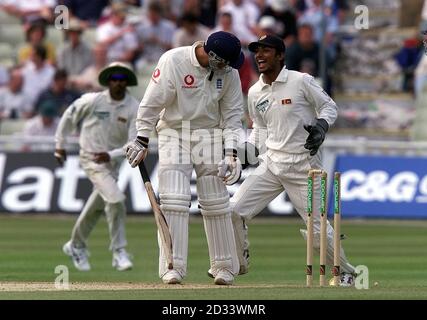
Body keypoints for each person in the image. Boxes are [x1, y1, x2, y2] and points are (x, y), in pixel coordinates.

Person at [230, 34, 357, 286]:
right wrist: (246, 154)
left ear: (280, 55)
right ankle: (239, 261)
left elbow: (329, 107)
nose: (260, 55)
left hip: (304, 168)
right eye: (257, 51)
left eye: (267, 50)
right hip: (271, 164)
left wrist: (321, 127)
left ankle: (346, 273)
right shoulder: (255, 92)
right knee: (233, 210)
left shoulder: (301, 81)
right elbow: (260, 131)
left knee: (318, 229)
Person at [125, 31, 245, 285]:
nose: (229, 67)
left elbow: (234, 116)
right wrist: (142, 138)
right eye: (225, 62)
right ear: (212, 56)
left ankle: (224, 266)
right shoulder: (174, 61)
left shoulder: (230, 73)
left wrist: (231, 153)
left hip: (210, 135)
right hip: (174, 132)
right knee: (174, 199)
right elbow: (151, 103)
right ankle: (173, 266)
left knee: (216, 200)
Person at [55, 62, 139, 272]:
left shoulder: (133, 108)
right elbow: (69, 116)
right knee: (117, 200)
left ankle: (75, 244)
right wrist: (60, 145)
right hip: (90, 159)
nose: (118, 83)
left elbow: (134, 143)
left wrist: (111, 155)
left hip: (113, 163)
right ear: (108, 81)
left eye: (122, 79)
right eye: (114, 79)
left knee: (97, 206)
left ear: (127, 82)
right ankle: (119, 251)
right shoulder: (93, 100)